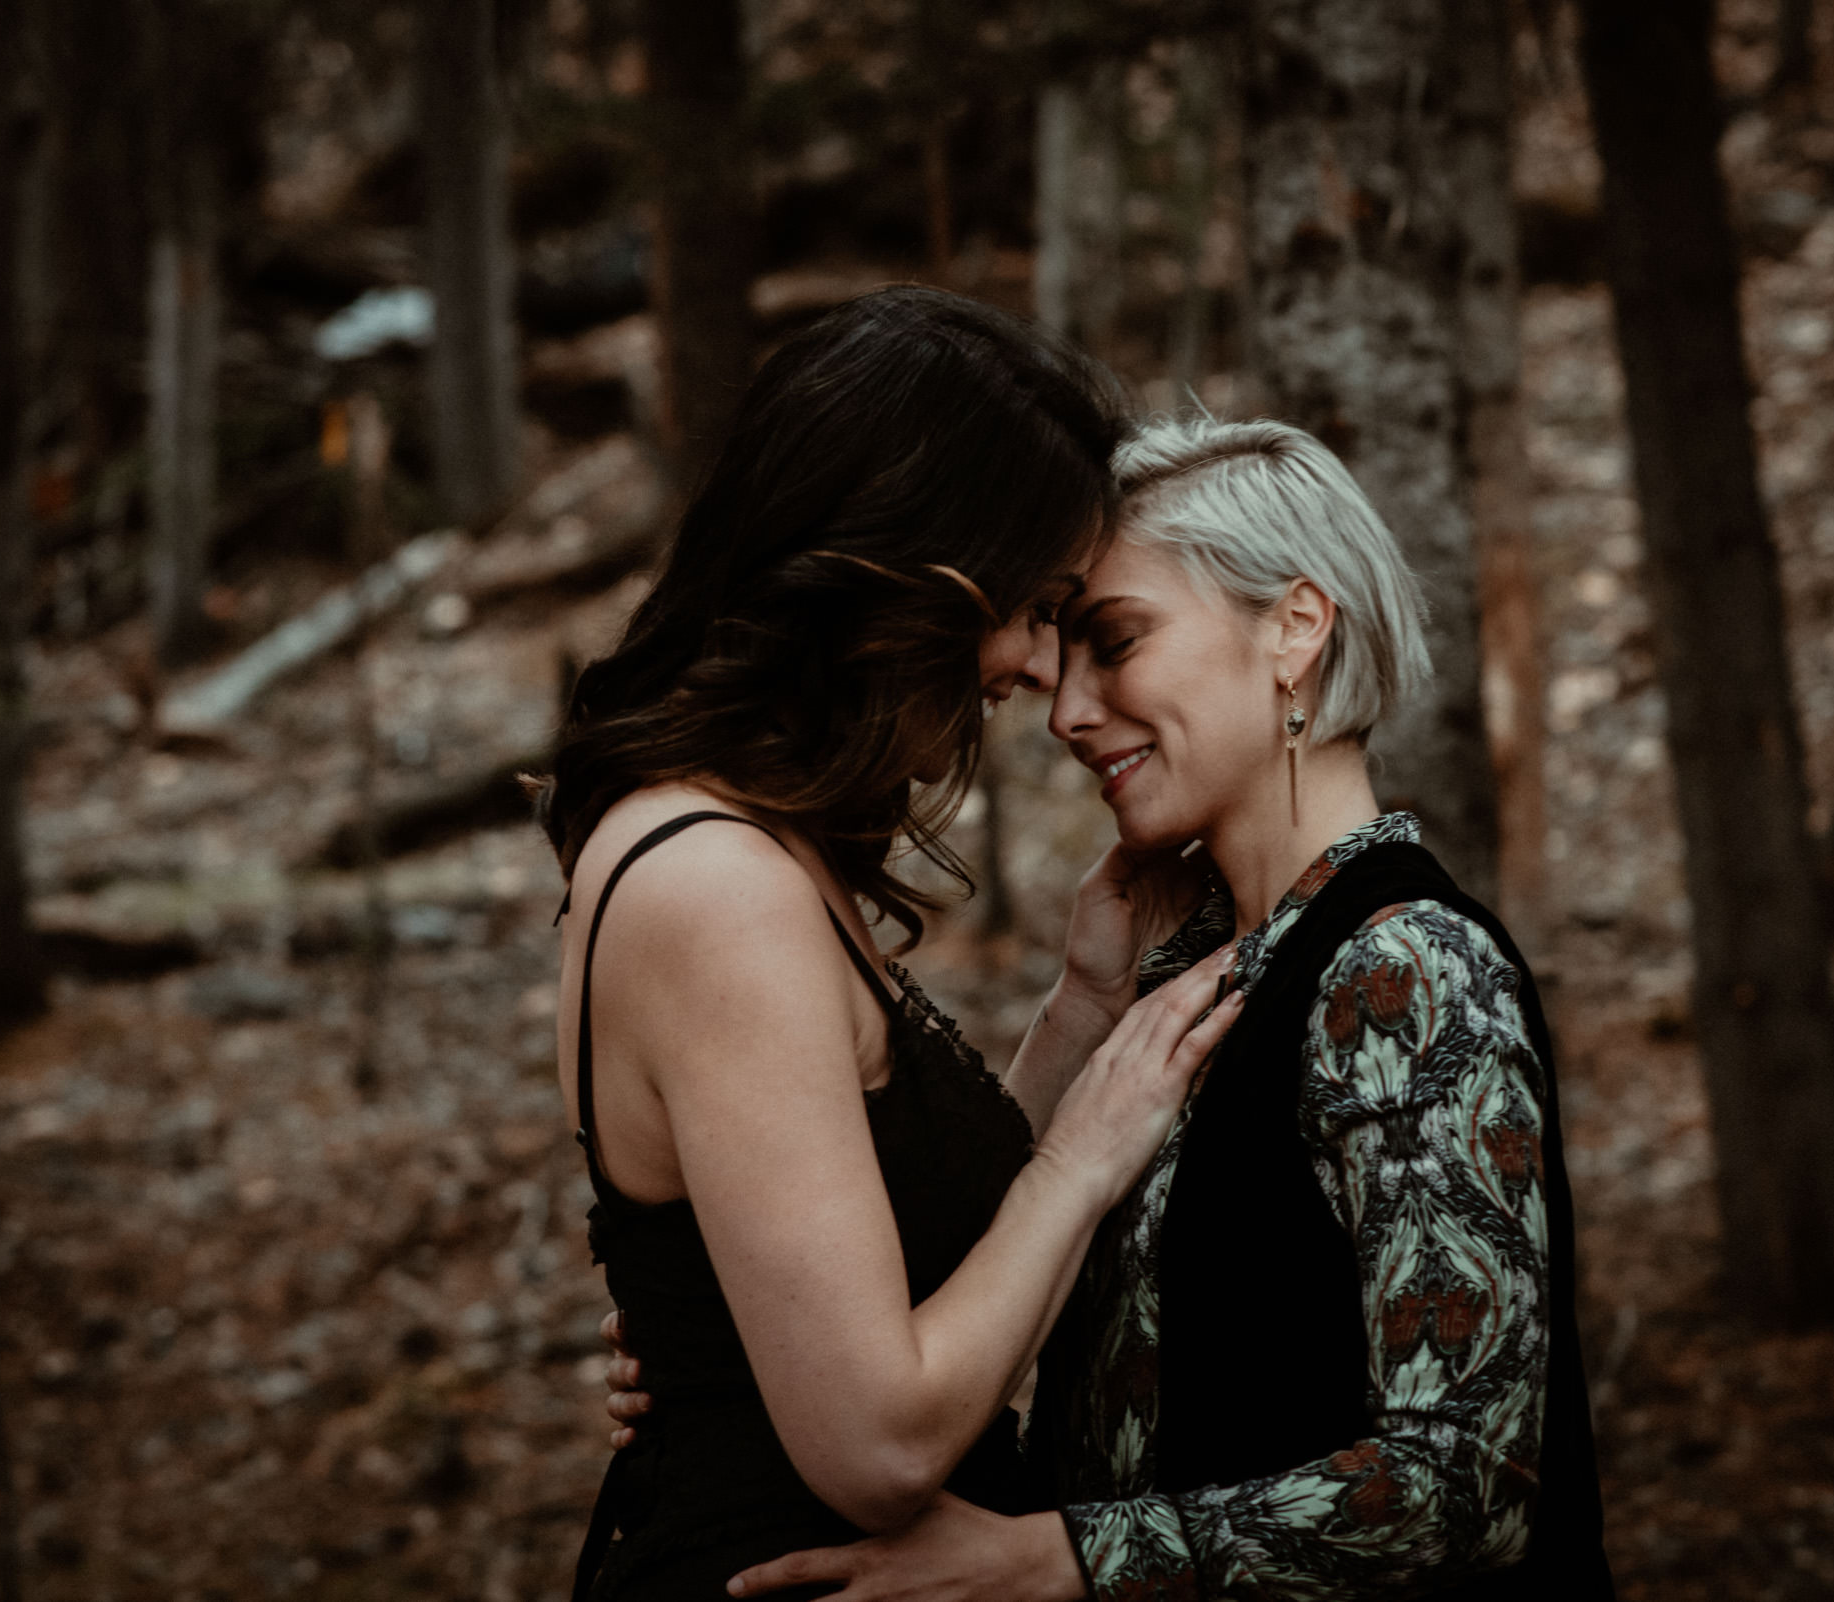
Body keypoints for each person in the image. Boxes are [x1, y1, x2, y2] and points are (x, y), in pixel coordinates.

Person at [711, 417, 1618, 1600]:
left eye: (1117, 642)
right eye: (1062, 652)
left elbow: (1469, 1479)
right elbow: (968, 1297)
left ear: (1293, 629)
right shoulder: (1192, 967)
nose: (1067, 711)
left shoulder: (1406, 969)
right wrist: (710, 1337)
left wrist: (1059, 1561)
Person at [544, 288, 1245, 1602]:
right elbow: (877, 1439)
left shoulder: (745, 848)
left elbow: (905, 1261)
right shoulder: (719, 888)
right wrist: (1093, 1147)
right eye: (1034, 606)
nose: (1041, 669)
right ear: (906, 572)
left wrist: (1087, 1005)